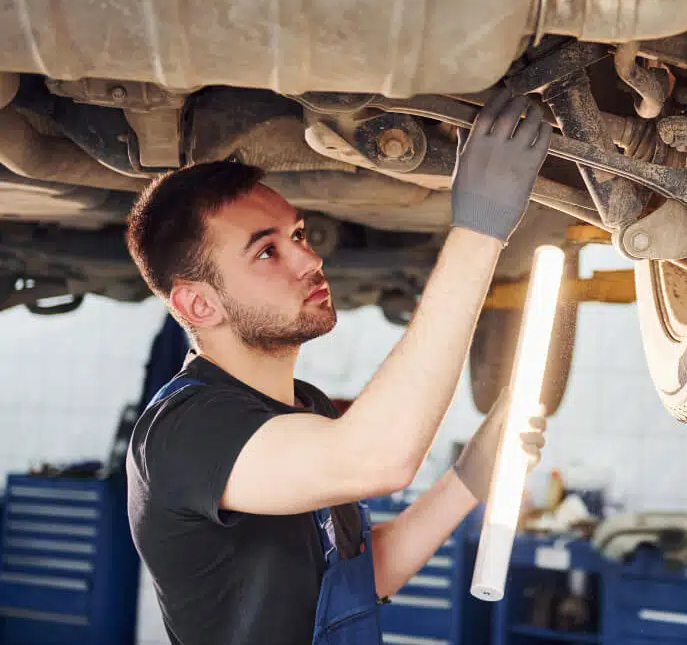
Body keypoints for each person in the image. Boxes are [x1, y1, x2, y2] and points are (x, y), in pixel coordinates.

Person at [123, 88, 554, 645]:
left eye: (297, 235)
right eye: (266, 251)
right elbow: (377, 459)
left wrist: (472, 476)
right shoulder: (181, 433)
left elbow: (356, 580)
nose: (310, 257)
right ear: (199, 305)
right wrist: (478, 230)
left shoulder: (309, 412)